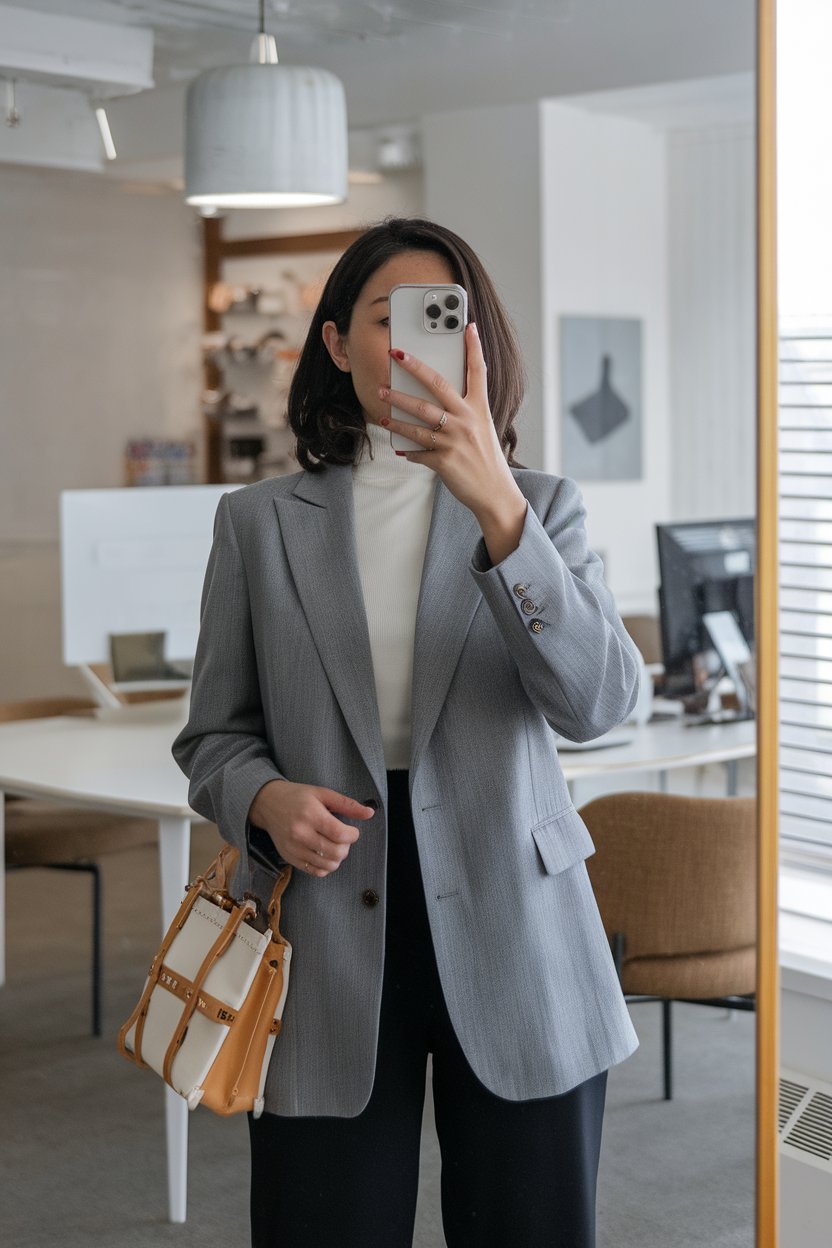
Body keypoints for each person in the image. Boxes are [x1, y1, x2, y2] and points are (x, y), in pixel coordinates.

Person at [172, 217, 641, 1248]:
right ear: (338, 345)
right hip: (325, 927)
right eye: (390, 319)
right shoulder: (258, 523)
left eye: (443, 319)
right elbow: (212, 737)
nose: (415, 344)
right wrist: (263, 798)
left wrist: (498, 508)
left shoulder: (543, 508)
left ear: (476, 342)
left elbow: (600, 704)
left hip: (519, 927)